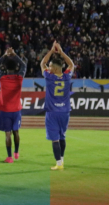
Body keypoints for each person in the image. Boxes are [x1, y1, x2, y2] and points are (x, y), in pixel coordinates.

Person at [40, 41, 74, 171]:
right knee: (62, 136)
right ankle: (62, 160)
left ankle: (59, 163)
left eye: (50, 66)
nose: (48, 67)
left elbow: (42, 63)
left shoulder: (49, 77)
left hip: (52, 112)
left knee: (55, 139)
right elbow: (71, 64)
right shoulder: (67, 76)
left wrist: (51, 50)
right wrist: (61, 52)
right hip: (65, 111)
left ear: (54, 68)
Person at [0, 48, 27, 163]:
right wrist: (15, 54)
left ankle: (9, 157)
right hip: (16, 109)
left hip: (5, 110)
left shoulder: (2, 78)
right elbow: (24, 66)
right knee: (16, 132)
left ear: (5, 67)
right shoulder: (19, 78)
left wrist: (4, 55)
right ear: (15, 67)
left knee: (7, 133)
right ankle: (16, 153)